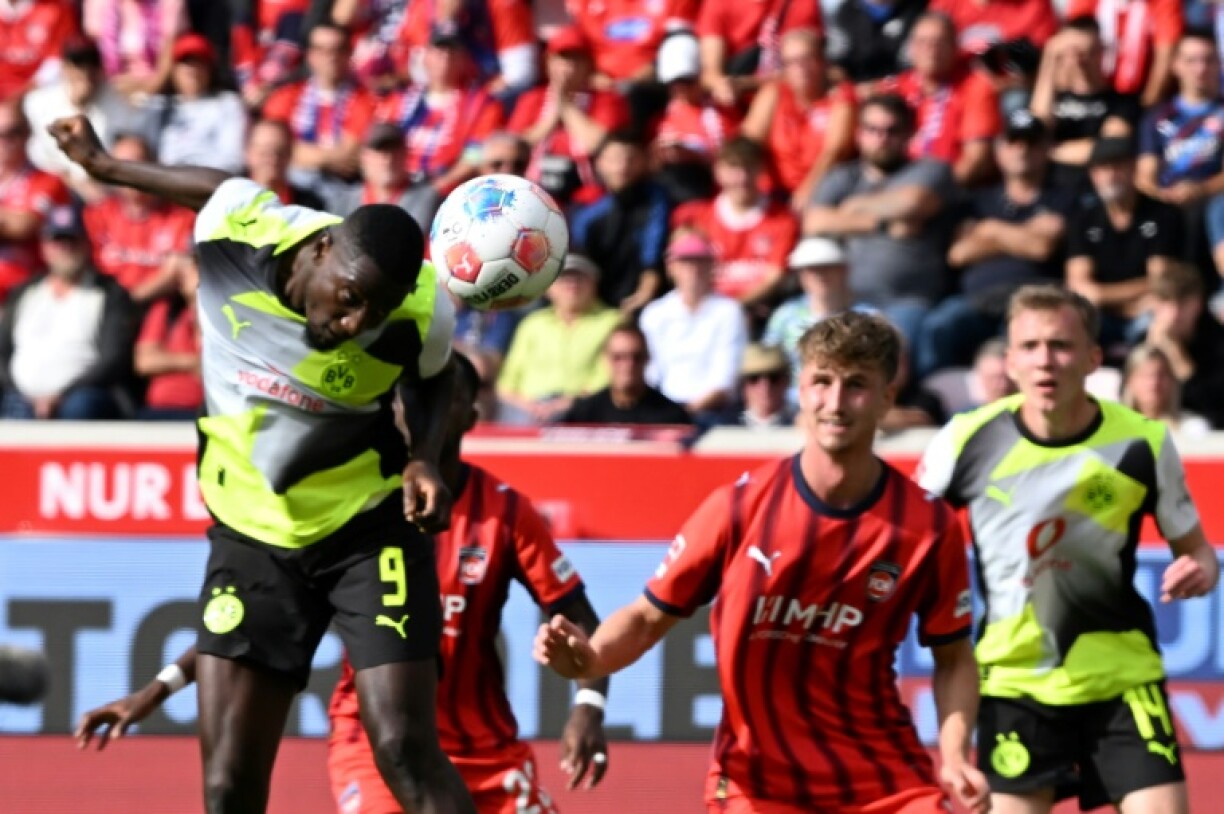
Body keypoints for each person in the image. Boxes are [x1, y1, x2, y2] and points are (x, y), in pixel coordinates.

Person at [46, 113, 475, 814]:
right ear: (323, 245)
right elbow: (214, 188)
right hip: (250, 536)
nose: (353, 325)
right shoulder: (239, 234)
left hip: (366, 531)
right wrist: (106, 167)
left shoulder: (421, 311)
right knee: (227, 788)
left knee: (402, 749)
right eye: (348, 298)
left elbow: (436, 379)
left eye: (373, 313)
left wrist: (425, 457)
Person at [77, 353, 613, 814]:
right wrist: (156, 690)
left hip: (489, 753)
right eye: (405, 397)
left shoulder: (504, 511)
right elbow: (259, 622)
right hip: (370, 745)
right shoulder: (354, 504)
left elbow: (580, 616)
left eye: (442, 396)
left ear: (470, 415)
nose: (417, 407)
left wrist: (589, 704)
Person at [535, 310, 990, 814]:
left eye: (856, 385)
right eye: (822, 382)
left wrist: (953, 755)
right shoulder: (739, 508)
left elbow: (953, 658)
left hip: (884, 783)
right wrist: (591, 659)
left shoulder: (927, 525)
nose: (835, 403)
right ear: (801, 389)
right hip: (755, 785)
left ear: (887, 396)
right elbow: (645, 619)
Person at [916, 284, 1219, 814]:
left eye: (1060, 345)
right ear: (1009, 361)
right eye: (1029, 347)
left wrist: (1200, 569)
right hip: (1013, 684)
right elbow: (909, 537)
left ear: (1093, 358)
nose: (1045, 361)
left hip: (1122, 680)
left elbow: (1198, 551)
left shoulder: (1141, 441)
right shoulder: (965, 440)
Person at [0, 204, 135, 421]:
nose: (65, 248)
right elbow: (3, 352)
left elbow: (114, 359)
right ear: (44, 246)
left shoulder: (109, 293)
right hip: (21, 397)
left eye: (72, 240)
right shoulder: (25, 292)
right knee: (13, 405)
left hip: (84, 395)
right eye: (58, 240)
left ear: (86, 244)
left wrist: (59, 395)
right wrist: (21, 391)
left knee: (81, 405)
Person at [559, 324, 693, 426]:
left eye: (636, 357)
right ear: (605, 360)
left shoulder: (671, 417)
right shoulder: (583, 414)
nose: (628, 365)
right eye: (618, 357)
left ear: (647, 359)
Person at [1120, 343, 1212, 436]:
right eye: (1145, 375)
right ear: (1129, 381)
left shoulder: (1193, 428)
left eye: (1161, 375)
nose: (1154, 383)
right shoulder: (1113, 429)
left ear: (1173, 381)